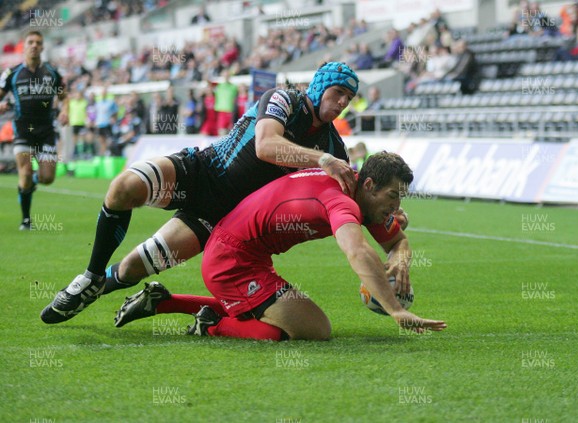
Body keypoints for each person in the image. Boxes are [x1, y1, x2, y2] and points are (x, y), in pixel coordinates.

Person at [40, 62, 364, 325]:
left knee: (131, 269)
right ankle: (91, 275)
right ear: (319, 85)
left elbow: (346, 193)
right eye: (338, 93)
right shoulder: (284, 99)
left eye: (348, 99)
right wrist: (322, 160)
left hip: (221, 217)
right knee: (124, 187)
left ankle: (100, 286)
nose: (341, 103)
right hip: (200, 172)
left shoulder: (333, 145)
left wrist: (391, 224)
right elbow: (266, 146)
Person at [114, 153, 446, 340]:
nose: (396, 207)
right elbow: (358, 252)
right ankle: (209, 322)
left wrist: (400, 261)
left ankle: (161, 301)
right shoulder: (340, 200)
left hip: (249, 255)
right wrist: (396, 310)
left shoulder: (362, 193)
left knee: (302, 322)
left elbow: (398, 239)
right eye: (392, 197)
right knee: (308, 331)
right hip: (230, 258)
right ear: (370, 185)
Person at [0, 31, 68, 230]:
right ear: (24, 46)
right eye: (30, 42)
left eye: (38, 42)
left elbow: (64, 97)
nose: (34, 45)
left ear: (43, 47)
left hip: (46, 130)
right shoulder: (11, 74)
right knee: (26, 171)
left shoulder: (52, 73)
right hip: (23, 129)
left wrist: (64, 111)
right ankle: (26, 220)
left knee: (47, 178)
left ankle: (33, 182)